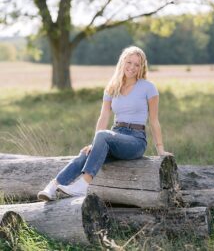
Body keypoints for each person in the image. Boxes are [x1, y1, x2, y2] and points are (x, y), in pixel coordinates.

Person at [37, 46, 173, 201]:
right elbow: (104, 116)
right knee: (84, 154)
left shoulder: (148, 87)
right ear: (122, 62)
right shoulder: (112, 87)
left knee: (103, 135)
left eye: (137, 64)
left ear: (142, 67)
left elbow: (154, 120)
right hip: (115, 135)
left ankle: (83, 185)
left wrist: (160, 149)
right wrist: (94, 143)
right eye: (129, 62)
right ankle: (53, 187)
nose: (132, 67)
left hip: (135, 141)